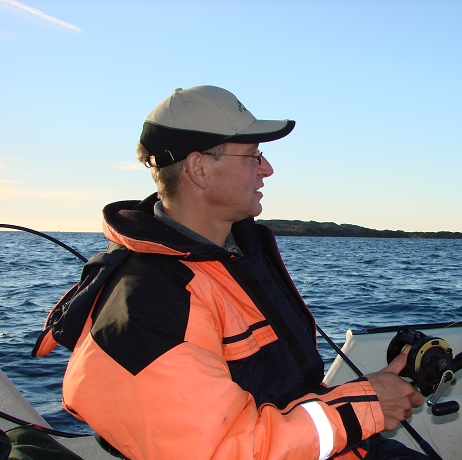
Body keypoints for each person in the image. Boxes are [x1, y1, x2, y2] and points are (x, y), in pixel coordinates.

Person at [47, 86, 427, 459]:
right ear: (199, 168)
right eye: (253, 156)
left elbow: (282, 395)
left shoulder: (237, 256)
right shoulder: (151, 301)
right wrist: (366, 407)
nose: (267, 169)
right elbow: (221, 451)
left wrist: (365, 397)